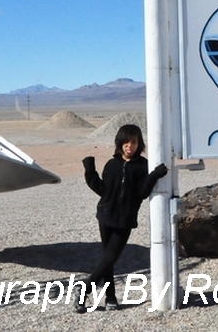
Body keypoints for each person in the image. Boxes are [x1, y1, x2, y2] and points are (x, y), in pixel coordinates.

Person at [73, 124, 168, 313]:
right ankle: (110, 298)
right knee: (107, 259)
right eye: (126, 142)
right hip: (105, 217)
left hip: (124, 220)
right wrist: (90, 170)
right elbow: (102, 190)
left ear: (139, 143)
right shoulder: (112, 165)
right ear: (119, 143)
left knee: (110, 257)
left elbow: (141, 193)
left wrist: (155, 175)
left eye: (133, 142)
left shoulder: (142, 166)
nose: (129, 146)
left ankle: (85, 288)